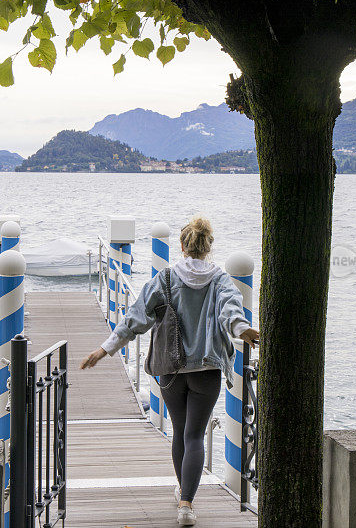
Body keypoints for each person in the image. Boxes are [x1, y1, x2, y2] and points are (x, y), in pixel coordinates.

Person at [80, 216, 259, 526]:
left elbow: (136, 318)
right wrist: (242, 328)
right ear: (209, 247)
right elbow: (231, 310)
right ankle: (187, 504)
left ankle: (183, 495)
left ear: (181, 245)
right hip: (205, 370)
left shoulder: (164, 279)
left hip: (170, 369)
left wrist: (104, 349)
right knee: (194, 437)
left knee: (180, 433)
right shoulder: (220, 280)